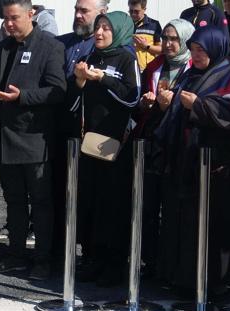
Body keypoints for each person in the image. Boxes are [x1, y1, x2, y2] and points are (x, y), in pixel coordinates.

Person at [155, 25, 230, 296]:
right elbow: (180, 104)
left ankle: (212, 286)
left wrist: (198, 105)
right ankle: (183, 280)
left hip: (220, 166)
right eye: (194, 49)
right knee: (186, 224)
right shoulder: (191, 74)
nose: (197, 55)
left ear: (216, 46)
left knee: (215, 226)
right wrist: (168, 102)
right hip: (187, 162)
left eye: (202, 49)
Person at [0, 0, 66, 281]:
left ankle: (42, 259)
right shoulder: (4, 46)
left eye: (14, 18)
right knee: (13, 201)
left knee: (41, 203)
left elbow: (57, 91)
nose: (8, 24)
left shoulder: (50, 46)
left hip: (35, 138)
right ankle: (15, 254)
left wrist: (23, 97)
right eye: (5, 18)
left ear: (31, 14)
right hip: (7, 137)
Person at [70, 11, 140, 287]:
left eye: (106, 28)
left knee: (113, 206)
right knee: (90, 203)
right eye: (98, 27)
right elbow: (75, 101)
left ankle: (114, 264)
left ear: (119, 31)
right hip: (89, 143)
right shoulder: (90, 57)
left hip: (116, 147)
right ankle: (92, 259)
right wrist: (79, 80)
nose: (99, 32)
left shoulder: (126, 57)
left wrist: (103, 79)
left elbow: (132, 97)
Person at [134, 19, 195, 277]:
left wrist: (172, 106)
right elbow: (138, 104)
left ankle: (172, 263)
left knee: (173, 207)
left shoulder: (194, 68)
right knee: (148, 204)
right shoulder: (155, 66)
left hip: (181, 146)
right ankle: (150, 260)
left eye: (174, 39)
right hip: (153, 143)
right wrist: (146, 104)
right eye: (166, 38)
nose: (169, 44)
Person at [51, 0, 108, 262]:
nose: (78, 15)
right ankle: (57, 252)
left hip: (90, 134)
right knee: (57, 192)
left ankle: (89, 254)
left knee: (87, 195)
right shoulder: (60, 43)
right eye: (76, 9)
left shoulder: (103, 49)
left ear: (102, 13)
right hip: (59, 129)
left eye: (84, 11)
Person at [129, 0, 162, 70]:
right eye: (131, 11)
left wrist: (146, 46)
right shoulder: (125, 25)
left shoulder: (154, 25)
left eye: (136, 11)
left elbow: (161, 49)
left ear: (144, 9)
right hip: (129, 69)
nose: (133, 14)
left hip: (147, 70)